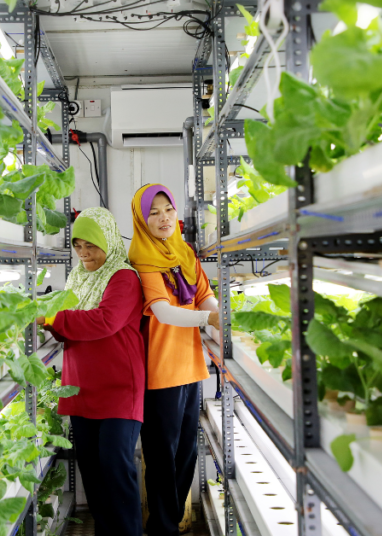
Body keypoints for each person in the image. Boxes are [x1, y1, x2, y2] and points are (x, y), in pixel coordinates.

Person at [37, 207, 146, 536]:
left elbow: (105, 321)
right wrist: (48, 323)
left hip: (118, 388)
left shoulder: (124, 277)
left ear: (109, 242)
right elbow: (67, 328)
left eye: (92, 246)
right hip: (81, 388)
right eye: (79, 246)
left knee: (115, 468)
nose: (84, 254)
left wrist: (52, 318)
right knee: (93, 473)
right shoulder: (75, 278)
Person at [128, 184, 221, 536]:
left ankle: (165, 524)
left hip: (190, 365)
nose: (163, 218)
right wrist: (207, 319)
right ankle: (163, 528)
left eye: (167, 210)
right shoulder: (142, 260)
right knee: (161, 457)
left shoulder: (185, 253)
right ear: (141, 219)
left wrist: (218, 314)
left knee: (187, 453)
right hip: (159, 369)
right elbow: (164, 313)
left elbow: (204, 295)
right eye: (153, 212)